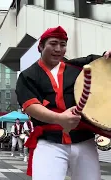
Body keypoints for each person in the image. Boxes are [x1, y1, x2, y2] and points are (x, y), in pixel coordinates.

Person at [16, 25, 111, 180]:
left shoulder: (77, 67)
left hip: (83, 139)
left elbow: (102, 62)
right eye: (53, 44)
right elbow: (31, 106)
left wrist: (107, 55)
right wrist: (59, 118)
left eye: (63, 45)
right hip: (49, 142)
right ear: (40, 46)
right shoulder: (28, 76)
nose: (58, 49)